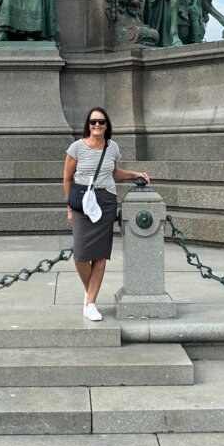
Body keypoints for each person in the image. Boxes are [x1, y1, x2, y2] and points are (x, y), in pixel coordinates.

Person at [64, 108, 150, 321]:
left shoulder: (112, 147)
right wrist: (69, 207)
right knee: (81, 255)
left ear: (106, 125)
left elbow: (113, 172)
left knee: (101, 255)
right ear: (88, 124)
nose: (97, 125)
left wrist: (134, 174)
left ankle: (90, 302)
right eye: (93, 122)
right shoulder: (76, 148)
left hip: (106, 201)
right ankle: (89, 290)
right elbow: (67, 178)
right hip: (83, 201)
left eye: (101, 122)